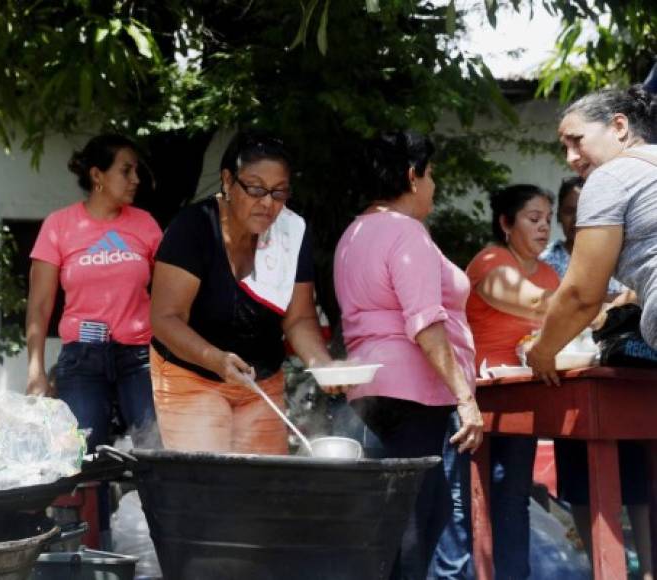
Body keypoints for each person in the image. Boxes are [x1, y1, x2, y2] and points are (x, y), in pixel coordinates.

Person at [334, 131, 483, 580]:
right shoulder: (406, 232)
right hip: (413, 395)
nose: (433, 185)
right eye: (430, 174)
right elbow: (425, 324)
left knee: (391, 525)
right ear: (411, 176)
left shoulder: (353, 232)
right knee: (413, 528)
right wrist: (465, 397)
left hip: (369, 391)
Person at [528, 85, 657, 580]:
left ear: (620, 127)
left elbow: (582, 293)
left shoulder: (612, 176)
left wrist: (543, 351)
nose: (572, 156)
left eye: (577, 140)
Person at [150, 130, 335, 454]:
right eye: (255, 188)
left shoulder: (291, 232)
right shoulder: (195, 227)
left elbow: (299, 318)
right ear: (227, 181)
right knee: (210, 486)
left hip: (261, 381)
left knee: (261, 491)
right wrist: (215, 359)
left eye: (279, 193)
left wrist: (322, 364)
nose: (267, 203)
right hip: (193, 374)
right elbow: (166, 318)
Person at [25, 134, 162, 452]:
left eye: (136, 171)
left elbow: (171, 290)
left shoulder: (146, 225)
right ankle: (96, 503)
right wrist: (35, 370)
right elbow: (41, 304)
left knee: (155, 450)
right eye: (126, 171)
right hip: (82, 357)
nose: (135, 180)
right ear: (97, 175)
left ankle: (147, 504)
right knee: (81, 454)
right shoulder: (59, 225)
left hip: (139, 357)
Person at [465, 184, 559, 579]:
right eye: (533, 219)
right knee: (472, 501)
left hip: (523, 398)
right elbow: (540, 304)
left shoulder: (550, 273)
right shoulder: (491, 261)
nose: (544, 229)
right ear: (506, 222)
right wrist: (598, 304)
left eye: (548, 221)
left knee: (514, 498)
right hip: (478, 399)